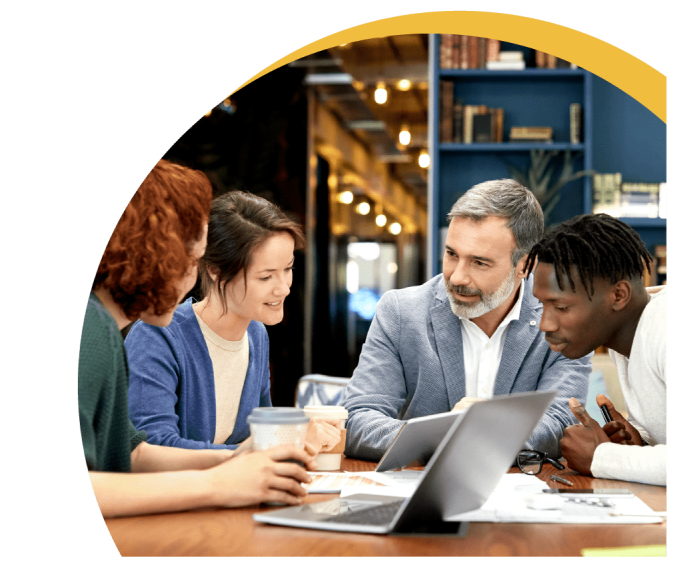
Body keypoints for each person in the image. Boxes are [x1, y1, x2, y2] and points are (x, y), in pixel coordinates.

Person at [78, 159, 316, 518]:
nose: (194, 278)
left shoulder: (103, 329)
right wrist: (222, 483)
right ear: (157, 255)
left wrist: (243, 458)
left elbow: (134, 454)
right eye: (193, 259)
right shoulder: (92, 331)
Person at [342, 179, 591, 461]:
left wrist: (485, 434)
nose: (457, 277)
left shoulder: (563, 322)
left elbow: (561, 424)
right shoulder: (400, 313)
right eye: (451, 254)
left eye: (479, 262)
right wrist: (442, 436)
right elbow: (357, 419)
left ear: (526, 264)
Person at [124, 190, 340, 453]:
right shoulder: (158, 335)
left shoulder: (256, 334)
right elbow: (152, 447)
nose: (283, 288)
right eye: (266, 277)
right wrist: (283, 442)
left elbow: (259, 436)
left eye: (288, 269)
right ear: (215, 270)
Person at [526, 213, 666, 486]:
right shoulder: (629, 338)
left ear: (618, 295)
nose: (545, 323)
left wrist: (602, 457)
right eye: (542, 305)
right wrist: (639, 442)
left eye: (561, 307)